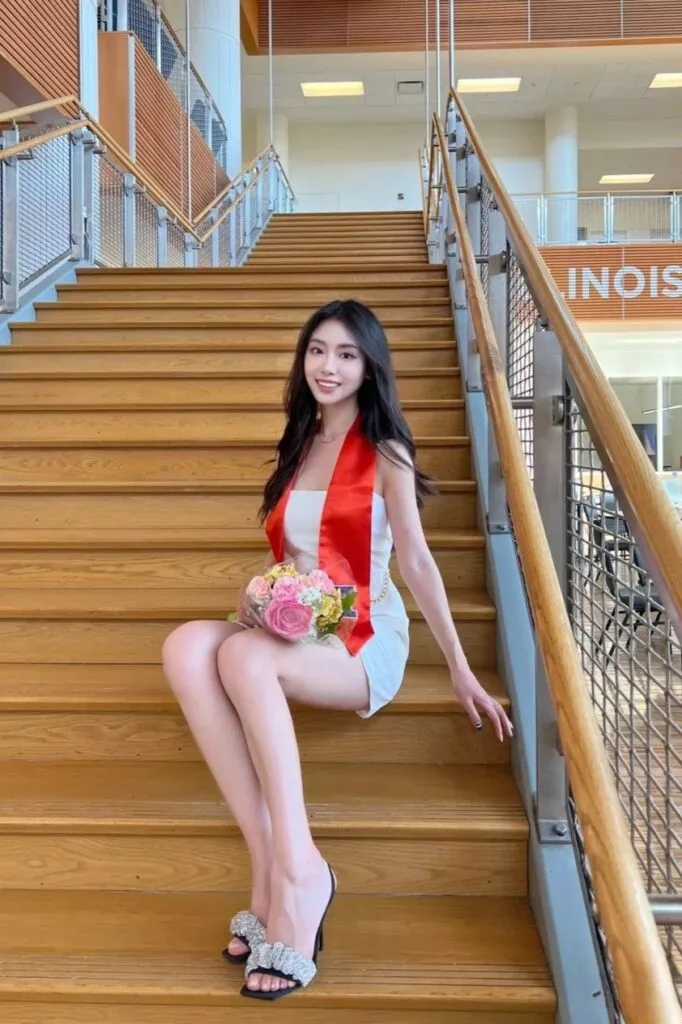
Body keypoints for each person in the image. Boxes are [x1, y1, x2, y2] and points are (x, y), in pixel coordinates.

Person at [162, 299, 513, 1003]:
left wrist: (458, 665)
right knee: (187, 645)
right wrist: (261, 596)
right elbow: (297, 555)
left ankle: (301, 877)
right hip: (300, 627)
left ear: (369, 368)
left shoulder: (385, 451)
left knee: (244, 659)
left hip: (363, 636)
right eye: (318, 350)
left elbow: (414, 560)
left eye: (347, 355)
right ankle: (269, 869)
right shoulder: (299, 443)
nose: (329, 366)